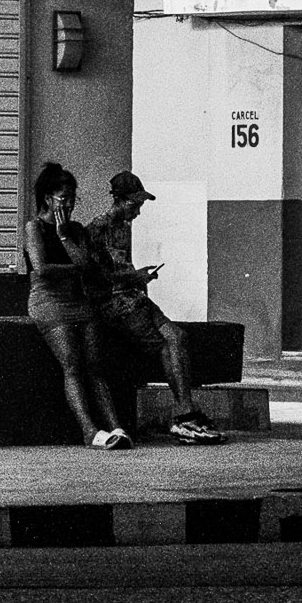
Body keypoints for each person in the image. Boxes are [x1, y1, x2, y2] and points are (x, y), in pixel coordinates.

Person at [88, 171, 226, 445]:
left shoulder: (123, 228)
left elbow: (121, 268)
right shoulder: (97, 230)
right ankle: (184, 417)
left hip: (134, 298)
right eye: (134, 204)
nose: (138, 211)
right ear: (120, 200)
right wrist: (135, 278)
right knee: (165, 344)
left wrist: (140, 277)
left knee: (177, 336)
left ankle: (186, 412)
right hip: (116, 305)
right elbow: (97, 278)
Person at [22, 163, 131, 449]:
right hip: (49, 301)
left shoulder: (75, 231)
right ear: (48, 198)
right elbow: (42, 269)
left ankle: (116, 427)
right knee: (71, 363)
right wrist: (73, 268)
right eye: (63, 197)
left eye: (72, 197)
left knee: (95, 366)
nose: (69, 204)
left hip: (77, 301)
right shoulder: (34, 227)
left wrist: (64, 236)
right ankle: (89, 430)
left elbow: (84, 264)